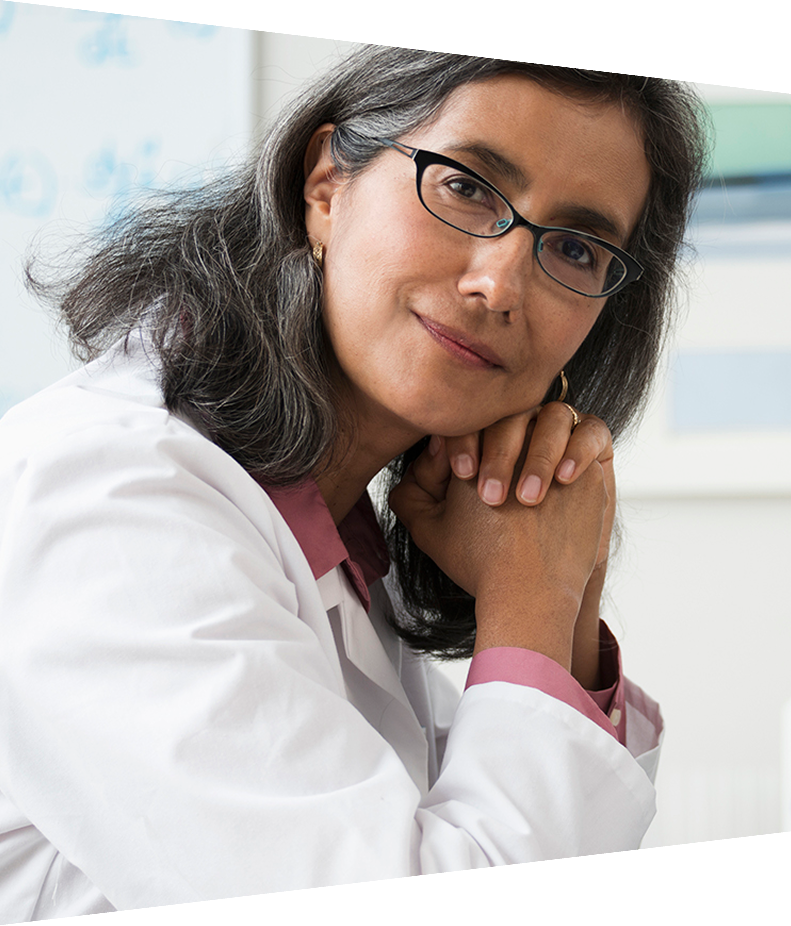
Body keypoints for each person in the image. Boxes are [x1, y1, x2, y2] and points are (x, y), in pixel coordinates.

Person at [0, 45, 705, 918]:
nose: (498, 284)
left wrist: (564, 591)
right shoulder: (111, 502)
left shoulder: (329, 532)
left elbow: (519, 853)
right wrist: (534, 591)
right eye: (466, 187)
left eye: (573, 247)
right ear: (327, 184)